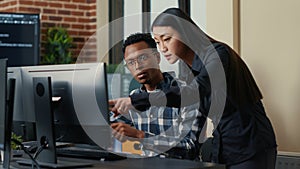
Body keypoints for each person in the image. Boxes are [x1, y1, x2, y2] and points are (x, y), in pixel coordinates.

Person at [110, 8, 277, 169]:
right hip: (224, 146)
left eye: (167, 39)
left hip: (250, 144)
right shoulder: (192, 68)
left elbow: (194, 93)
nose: (163, 48)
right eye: (158, 41)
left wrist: (136, 102)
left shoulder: (218, 54)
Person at [110, 33, 202, 160]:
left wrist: (140, 135)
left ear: (157, 58)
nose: (137, 66)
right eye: (131, 62)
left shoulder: (186, 93)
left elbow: (189, 147)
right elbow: (111, 127)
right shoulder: (134, 97)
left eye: (142, 58)